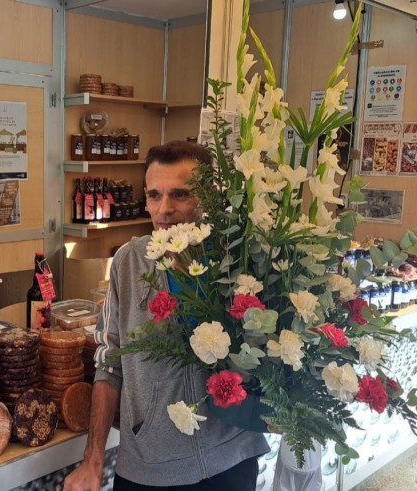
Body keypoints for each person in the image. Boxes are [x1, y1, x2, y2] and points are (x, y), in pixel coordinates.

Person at [64, 141, 269, 491]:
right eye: (154, 195)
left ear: (210, 196)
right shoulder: (129, 263)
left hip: (231, 455)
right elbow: (109, 362)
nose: (164, 210)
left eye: (181, 195)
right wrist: (93, 458)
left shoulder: (237, 260)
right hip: (149, 466)